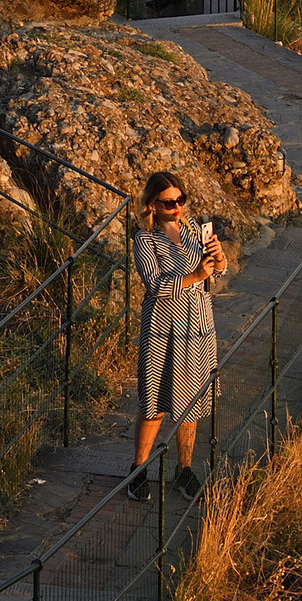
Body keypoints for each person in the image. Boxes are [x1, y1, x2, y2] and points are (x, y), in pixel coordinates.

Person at [126, 168, 227, 502]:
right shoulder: (145, 239)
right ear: (152, 204)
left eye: (181, 200)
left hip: (197, 323)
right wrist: (197, 273)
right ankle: (138, 469)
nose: (177, 208)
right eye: (169, 203)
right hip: (163, 327)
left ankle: (184, 469)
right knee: (153, 401)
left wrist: (219, 259)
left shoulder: (195, 230)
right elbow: (154, 284)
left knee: (192, 403)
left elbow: (218, 271)